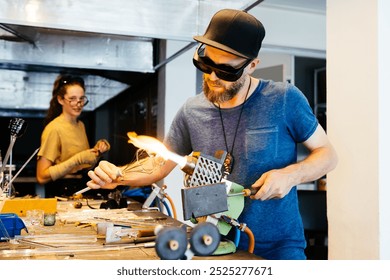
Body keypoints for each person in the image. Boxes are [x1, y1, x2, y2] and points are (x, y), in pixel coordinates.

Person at [86, 9, 338, 259]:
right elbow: (160, 164)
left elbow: (328, 155)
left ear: (251, 65)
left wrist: (290, 175)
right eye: (206, 65)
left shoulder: (284, 99)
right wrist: (118, 176)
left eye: (226, 71)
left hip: (279, 250)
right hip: (213, 245)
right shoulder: (191, 110)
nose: (213, 77)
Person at [36, 74, 110, 198]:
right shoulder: (54, 128)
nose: (78, 103)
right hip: (62, 193)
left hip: (79, 189)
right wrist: (77, 159)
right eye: (72, 99)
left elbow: (82, 164)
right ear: (60, 100)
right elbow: (41, 176)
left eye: (81, 99)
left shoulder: (80, 125)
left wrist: (98, 150)